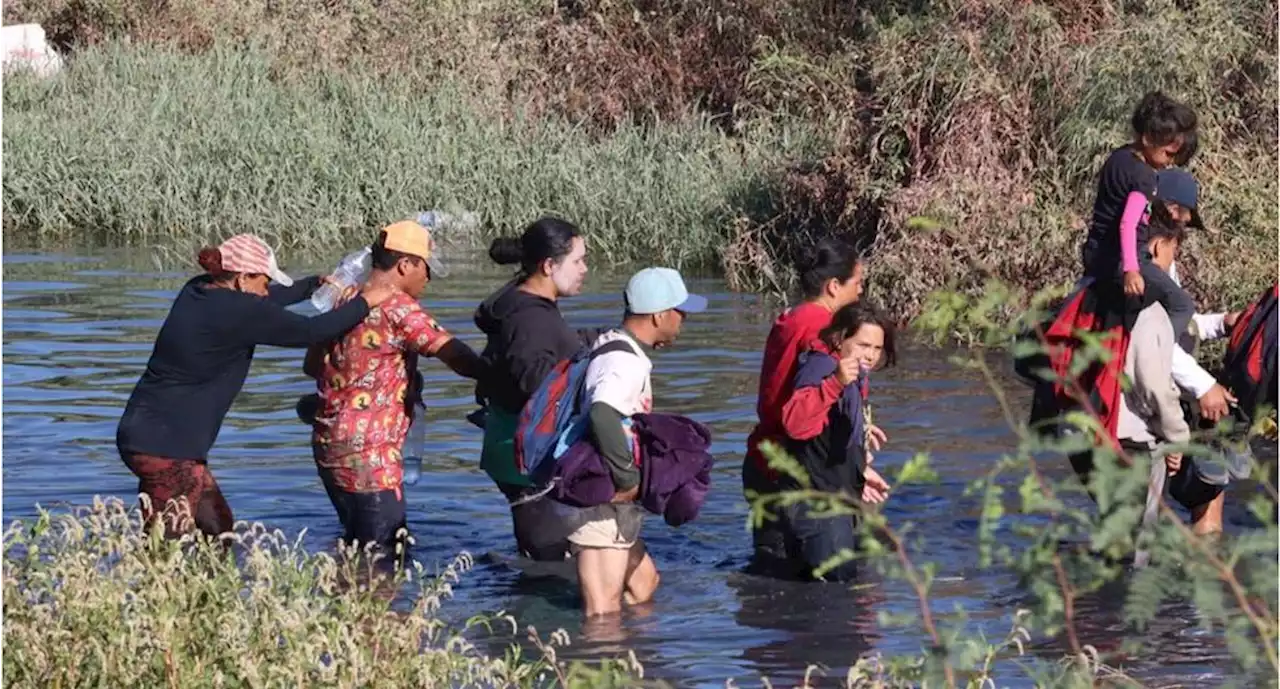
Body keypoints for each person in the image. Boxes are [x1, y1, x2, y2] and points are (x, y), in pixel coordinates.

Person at [117, 234, 395, 538]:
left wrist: (312, 285)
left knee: (217, 529)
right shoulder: (241, 311)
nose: (266, 290)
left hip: (148, 433)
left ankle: (212, 584)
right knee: (167, 548)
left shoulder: (198, 289)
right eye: (263, 282)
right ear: (242, 279)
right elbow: (310, 331)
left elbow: (264, 301)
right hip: (166, 447)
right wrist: (366, 302)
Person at [306, 221, 486, 553]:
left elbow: (311, 366)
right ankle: (381, 605)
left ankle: (341, 599)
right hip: (371, 456)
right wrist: (494, 374)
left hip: (329, 445)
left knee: (355, 546)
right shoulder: (398, 306)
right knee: (385, 556)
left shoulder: (344, 298)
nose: (428, 278)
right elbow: (453, 353)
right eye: (425, 268)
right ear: (405, 265)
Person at [1077, 218, 1227, 535]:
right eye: (1175, 250)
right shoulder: (1149, 307)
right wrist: (1177, 437)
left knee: (1114, 533)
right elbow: (1156, 383)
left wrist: (1221, 323)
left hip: (1085, 433)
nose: (1175, 260)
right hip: (1129, 441)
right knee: (1135, 549)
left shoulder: (1094, 294)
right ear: (1158, 246)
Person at [571, 267, 706, 617]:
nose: (684, 320)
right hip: (603, 498)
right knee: (603, 612)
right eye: (681, 312)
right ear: (660, 315)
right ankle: (594, 664)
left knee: (644, 584)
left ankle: (636, 665)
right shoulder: (623, 361)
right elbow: (602, 413)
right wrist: (628, 479)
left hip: (612, 498)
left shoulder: (616, 346)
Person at [473, 216, 597, 561]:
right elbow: (535, 383)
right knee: (549, 567)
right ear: (548, 265)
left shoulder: (520, 301)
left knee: (542, 552)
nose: (584, 268)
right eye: (577, 260)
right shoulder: (530, 319)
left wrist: (592, 341)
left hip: (509, 449)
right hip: (527, 458)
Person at [752, 303, 895, 581]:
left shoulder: (849, 371)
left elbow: (827, 425)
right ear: (841, 338)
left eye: (877, 348)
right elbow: (794, 422)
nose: (871, 355)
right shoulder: (821, 368)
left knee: (872, 556)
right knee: (834, 590)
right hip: (817, 502)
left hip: (835, 495)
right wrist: (835, 382)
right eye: (864, 345)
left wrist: (861, 464)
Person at [742, 238, 884, 516]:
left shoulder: (790, 318)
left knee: (773, 556)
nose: (861, 290)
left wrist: (858, 423)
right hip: (795, 469)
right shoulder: (824, 330)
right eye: (857, 282)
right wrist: (861, 463)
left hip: (763, 459)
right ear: (833, 286)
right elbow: (820, 393)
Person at [1081, 91, 1199, 341]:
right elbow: (1128, 223)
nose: (1169, 163)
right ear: (1147, 138)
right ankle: (1164, 354)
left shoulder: (1118, 157)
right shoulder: (1144, 177)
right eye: (1168, 154)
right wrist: (1132, 269)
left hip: (1096, 251)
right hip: (1123, 259)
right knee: (1182, 306)